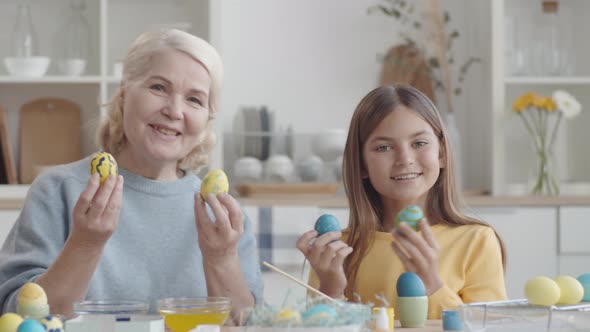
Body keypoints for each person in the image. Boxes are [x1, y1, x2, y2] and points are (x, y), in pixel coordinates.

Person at [0, 29, 263, 322]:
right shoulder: (59, 191)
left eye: (194, 100)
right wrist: (85, 244)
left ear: (206, 121)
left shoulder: (223, 215)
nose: (174, 111)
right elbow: (18, 319)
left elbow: (250, 325)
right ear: (123, 94)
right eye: (159, 88)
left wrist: (222, 259)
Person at [296, 85, 506, 318]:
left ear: (441, 153)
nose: (404, 159)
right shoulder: (337, 250)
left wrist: (433, 284)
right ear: (362, 165)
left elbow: (489, 326)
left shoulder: (476, 240)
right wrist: (330, 289)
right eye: (384, 147)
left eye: (419, 143)